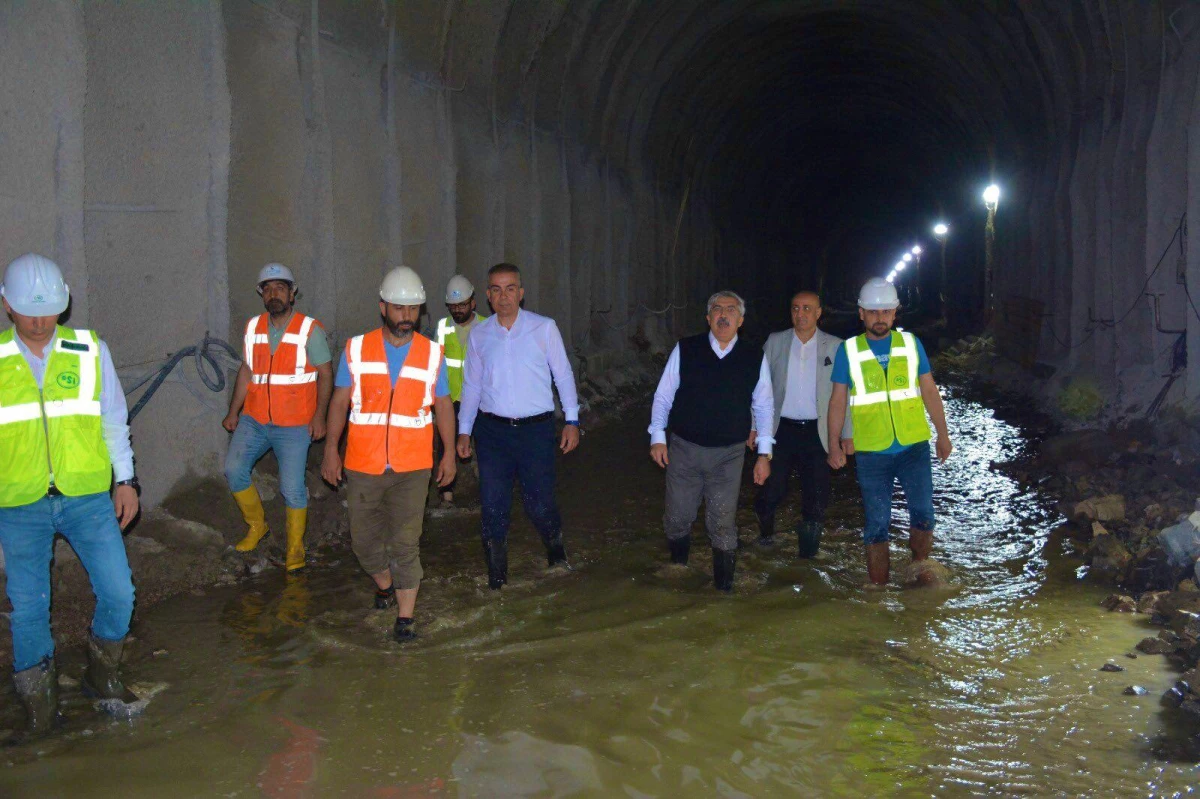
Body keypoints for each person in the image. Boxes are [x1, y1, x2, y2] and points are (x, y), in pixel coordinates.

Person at [0, 254, 141, 739]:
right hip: (19, 504)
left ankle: (102, 676)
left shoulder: (88, 349)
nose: (39, 321)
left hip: (86, 497)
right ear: (6, 306)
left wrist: (126, 481)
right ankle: (41, 712)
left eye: (49, 310)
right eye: (27, 311)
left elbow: (112, 418)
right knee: (30, 607)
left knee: (119, 592)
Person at [321, 266, 456, 642]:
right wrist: (331, 449)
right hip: (363, 465)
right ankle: (383, 583)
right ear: (383, 308)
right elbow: (340, 401)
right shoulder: (356, 348)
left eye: (413, 310)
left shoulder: (432, 354)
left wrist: (448, 454)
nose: (406, 317)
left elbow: (442, 405)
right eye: (399, 309)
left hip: (413, 467)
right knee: (363, 543)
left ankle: (405, 617)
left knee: (405, 542)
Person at [456, 263, 580, 590]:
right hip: (492, 433)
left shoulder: (544, 328)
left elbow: (563, 375)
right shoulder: (480, 335)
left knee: (538, 503)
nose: (504, 296)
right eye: (496, 289)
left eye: (510, 288)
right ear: (487, 296)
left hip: (535, 432)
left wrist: (571, 420)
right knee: (493, 505)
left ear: (521, 293)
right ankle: (497, 581)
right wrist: (464, 430)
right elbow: (471, 386)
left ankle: (556, 550)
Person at [827, 277, 952, 586]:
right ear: (861, 313)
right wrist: (834, 443)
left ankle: (920, 569)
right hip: (872, 452)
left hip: (913, 446)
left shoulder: (911, 344)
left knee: (923, 513)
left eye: (885, 311)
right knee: (876, 524)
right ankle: (878, 590)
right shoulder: (849, 351)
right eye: (872, 311)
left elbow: (929, 389)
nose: (879, 317)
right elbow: (838, 399)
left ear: (896, 313)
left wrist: (943, 433)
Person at [649, 291, 774, 592]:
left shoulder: (753, 356)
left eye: (730, 310)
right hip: (684, 449)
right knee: (678, 517)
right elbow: (663, 395)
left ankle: (723, 592)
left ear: (740, 320)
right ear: (708, 318)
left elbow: (764, 405)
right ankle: (678, 571)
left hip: (728, 455)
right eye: (716, 309)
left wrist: (765, 454)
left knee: (722, 524)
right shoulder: (686, 349)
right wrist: (657, 436)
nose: (723, 314)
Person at [222, 263, 333, 573]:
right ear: (261, 295)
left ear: (292, 293)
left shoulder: (310, 329)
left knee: (292, 488)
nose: (274, 294)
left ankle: (295, 545)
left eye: (280, 288)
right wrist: (233, 412)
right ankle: (257, 526)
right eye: (267, 289)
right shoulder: (253, 327)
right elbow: (247, 370)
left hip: (295, 424)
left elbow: (325, 373)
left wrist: (319, 416)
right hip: (255, 418)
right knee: (233, 470)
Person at [752, 291, 851, 556]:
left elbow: (846, 395)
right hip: (780, 429)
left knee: (816, 494)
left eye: (808, 308)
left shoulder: (836, 346)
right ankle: (765, 536)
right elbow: (759, 387)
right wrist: (753, 426)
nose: (801, 313)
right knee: (771, 488)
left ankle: (808, 555)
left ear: (819, 313)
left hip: (818, 431)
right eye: (796, 308)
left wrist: (845, 437)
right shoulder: (776, 342)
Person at [433, 274, 486, 508]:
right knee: (446, 446)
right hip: (451, 398)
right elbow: (435, 363)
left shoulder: (487, 326)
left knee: (485, 445)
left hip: (482, 400)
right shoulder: (442, 327)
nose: (457, 310)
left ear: (473, 302)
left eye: (462, 304)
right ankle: (447, 496)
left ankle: (488, 492)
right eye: (453, 306)